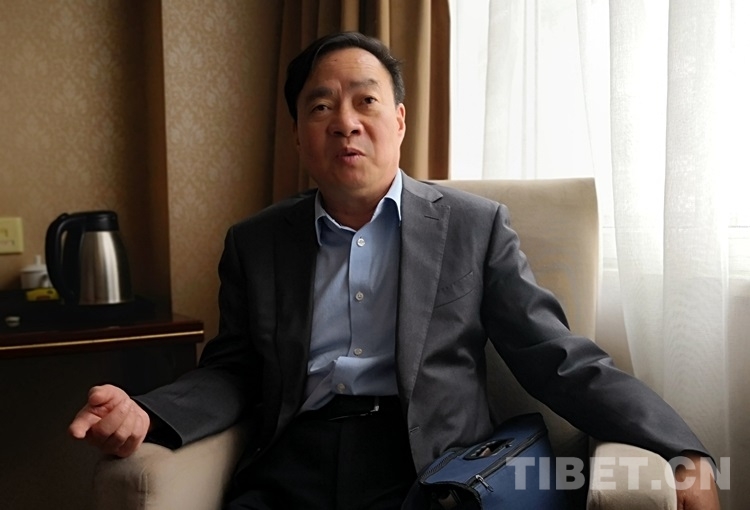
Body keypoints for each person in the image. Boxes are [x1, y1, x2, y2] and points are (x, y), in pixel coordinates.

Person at [69, 32, 720, 509]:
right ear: (297, 134)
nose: (345, 123)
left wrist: (680, 448)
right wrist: (147, 412)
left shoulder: (473, 228)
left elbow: (554, 356)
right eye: (321, 107)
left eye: (366, 101)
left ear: (400, 120)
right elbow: (234, 370)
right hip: (293, 461)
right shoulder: (256, 242)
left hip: (425, 464)